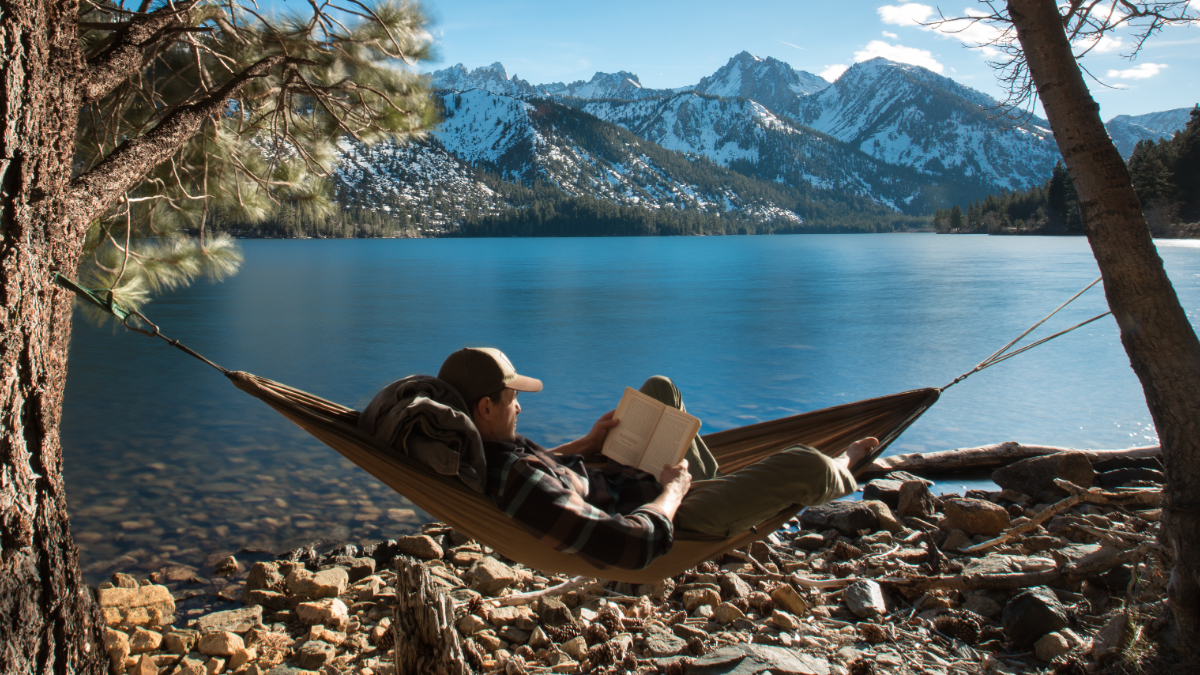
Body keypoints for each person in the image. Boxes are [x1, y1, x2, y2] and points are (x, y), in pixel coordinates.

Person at [437, 347, 878, 571]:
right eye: (513, 399)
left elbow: (538, 468)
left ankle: (725, 486)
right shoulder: (516, 482)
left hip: (619, 478)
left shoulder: (483, 452)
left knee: (659, 388)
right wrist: (673, 491)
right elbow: (629, 543)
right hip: (671, 517)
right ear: (485, 408)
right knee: (807, 464)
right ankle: (842, 466)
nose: (520, 407)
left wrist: (587, 444)